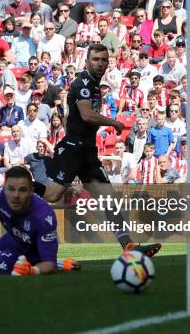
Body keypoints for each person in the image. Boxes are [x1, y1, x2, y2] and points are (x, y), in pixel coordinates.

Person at [37, 43, 160, 256]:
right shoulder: (83, 82)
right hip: (74, 149)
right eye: (96, 59)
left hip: (87, 151)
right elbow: (86, 114)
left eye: (104, 59)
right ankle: (8, 189)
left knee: (109, 198)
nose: (101, 63)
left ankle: (128, 247)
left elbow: (70, 117)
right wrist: (115, 123)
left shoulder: (94, 85)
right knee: (52, 194)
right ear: (87, 62)